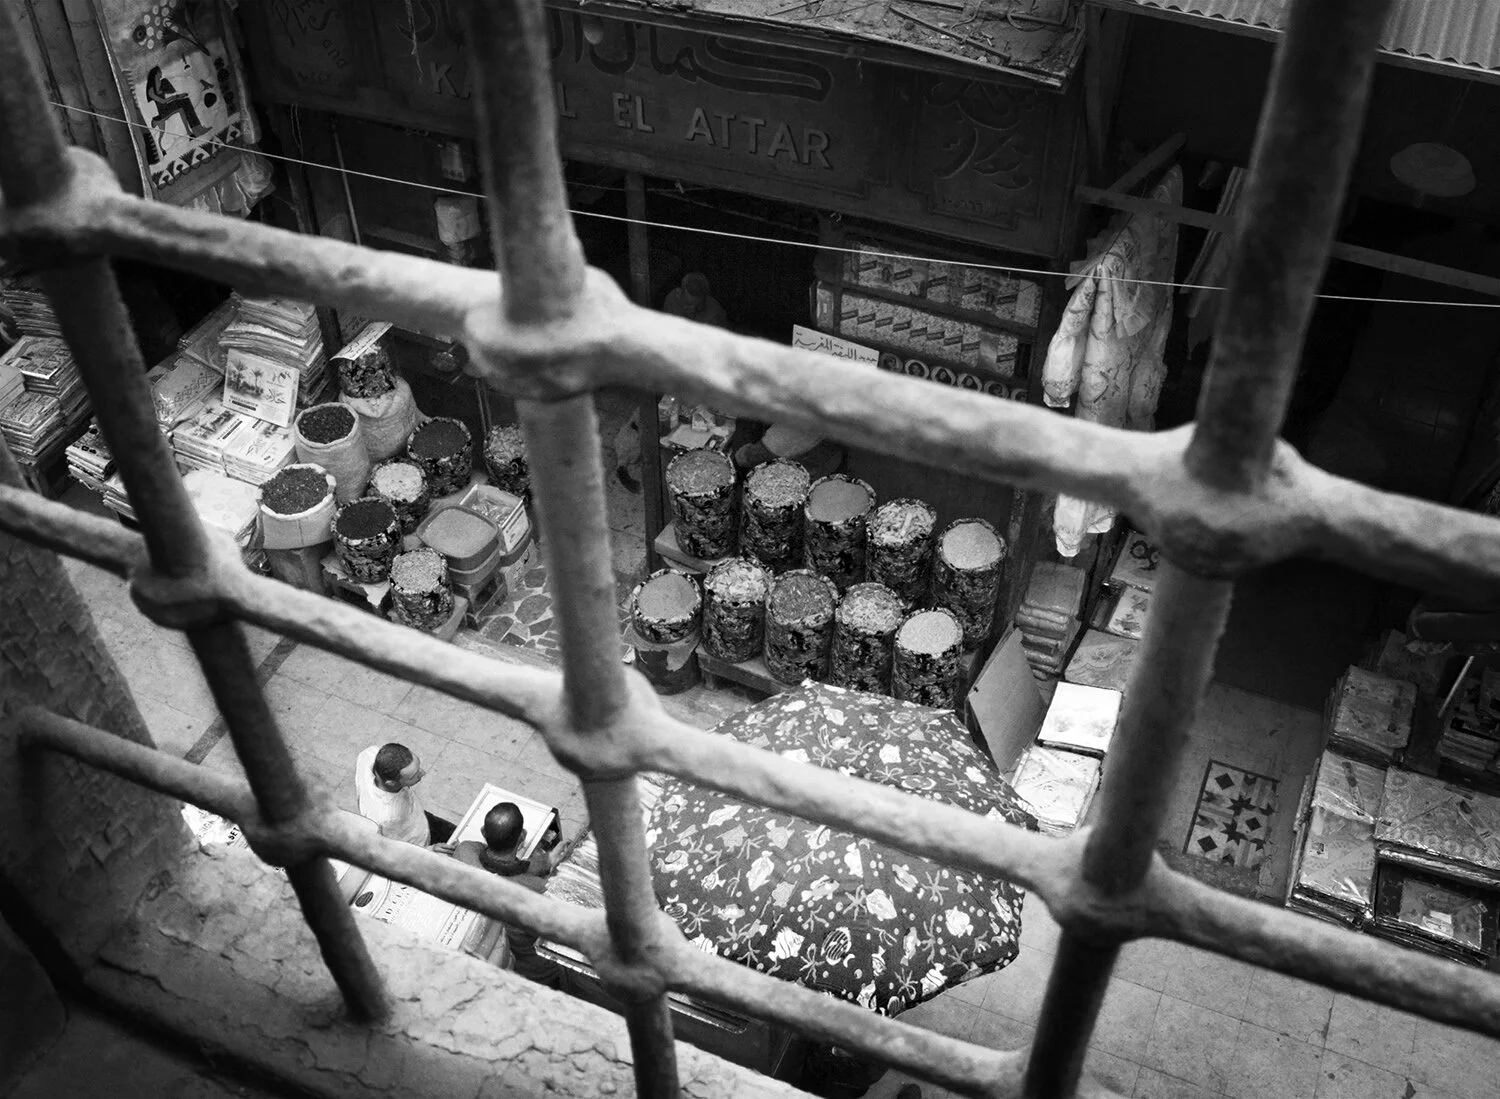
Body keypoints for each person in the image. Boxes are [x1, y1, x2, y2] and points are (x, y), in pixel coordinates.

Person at [614, 272, 729, 493]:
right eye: (688, 303)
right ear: (680, 293)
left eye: (696, 305)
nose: (691, 309)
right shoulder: (671, 299)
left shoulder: (714, 314)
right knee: (665, 403)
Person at [452, 802, 567, 988]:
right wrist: (549, 867)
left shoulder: (465, 851)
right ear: (523, 836)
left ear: (483, 831)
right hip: (526, 967)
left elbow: (506, 868)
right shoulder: (538, 890)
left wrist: (545, 862)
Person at [353, 742, 454, 847]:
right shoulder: (388, 818)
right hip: (418, 841)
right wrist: (429, 850)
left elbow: (368, 755)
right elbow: (393, 850)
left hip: (419, 818)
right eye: (413, 776)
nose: (423, 773)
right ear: (391, 783)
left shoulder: (369, 754)